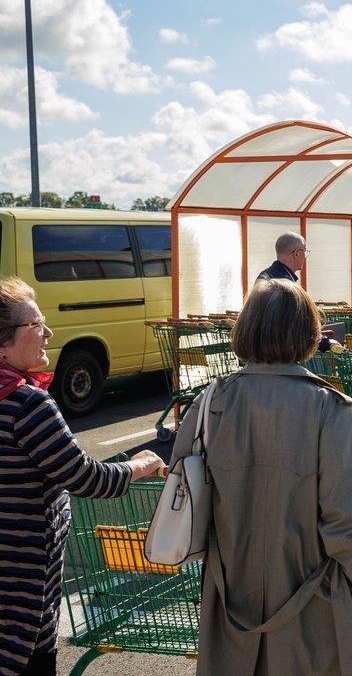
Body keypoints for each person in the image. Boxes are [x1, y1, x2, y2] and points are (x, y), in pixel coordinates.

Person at [170, 279, 352, 676]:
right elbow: (347, 522)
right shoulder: (330, 409)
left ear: (246, 329)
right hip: (312, 603)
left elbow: (184, 503)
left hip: (228, 599)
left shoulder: (209, 403)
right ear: (308, 334)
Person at [0, 277, 165, 676]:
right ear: (3, 342)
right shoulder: (26, 404)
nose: (48, 332)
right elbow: (86, 477)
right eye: (36, 325)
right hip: (22, 592)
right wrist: (140, 464)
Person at [256, 232, 338, 352]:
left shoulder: (264, 276)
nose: (305, 257)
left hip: (261, 347)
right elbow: (294, 323)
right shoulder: (286, 284)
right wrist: (325, 342)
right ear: (296, 253)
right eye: (304, 252)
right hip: (280, 352)